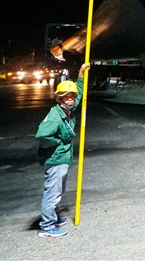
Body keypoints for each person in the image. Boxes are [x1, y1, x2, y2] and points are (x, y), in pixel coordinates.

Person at [35, 63, 88, 238]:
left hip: (61, 160)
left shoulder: (67, 111)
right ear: (59, 98)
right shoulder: (55, 116)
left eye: (72, 95)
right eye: (66, 96)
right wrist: (58, 142)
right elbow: (42, 135)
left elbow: (79, 97)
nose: (71, 98)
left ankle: (53, 218)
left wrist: (81, 75)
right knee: (53, 193)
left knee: (58, 191)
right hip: (55, 160)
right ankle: (47, 226)